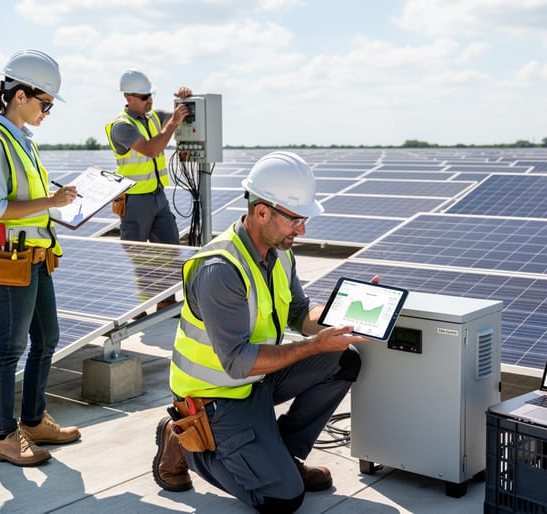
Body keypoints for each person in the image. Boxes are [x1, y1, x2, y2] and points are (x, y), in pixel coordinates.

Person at [153, 151, 375, 513]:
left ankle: (283, 458)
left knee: (342, 361)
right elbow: (238, 362)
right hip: (217, 397)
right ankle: (183, 443)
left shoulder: (280, 251)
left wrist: (345, 316)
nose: (301, 229)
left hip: (257, 380)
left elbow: (300, 313)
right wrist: (312, 345)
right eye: (296, 219)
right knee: (282, 500)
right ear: (262, 212)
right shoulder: (220, 269)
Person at [0, 49, 81, 467]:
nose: (48, 111)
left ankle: (32, 420)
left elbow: (33, 199)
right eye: (45, 103)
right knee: (9, 349)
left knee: (47, 340)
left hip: (35, 256)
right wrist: (49, 199)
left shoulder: (23, 142)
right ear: (19, 96)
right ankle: (2, 437)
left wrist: (63, 198)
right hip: (6, 260)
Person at [105, 69, 192, 245]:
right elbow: (150, 150)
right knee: (137, 257)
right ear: (129, 98)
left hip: (159, 197)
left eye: (150, 95)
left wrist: (186, 99)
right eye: (145, 97)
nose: (150, 100)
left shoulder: (153, 117)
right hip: (135, 202)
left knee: (171, 251)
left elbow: (184, 114)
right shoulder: (121, 126)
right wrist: (173, 123)